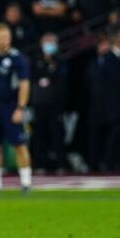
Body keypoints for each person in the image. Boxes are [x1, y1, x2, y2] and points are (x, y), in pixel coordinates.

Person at [0, 23, 32, 193]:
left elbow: (24, 84)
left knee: (19, 144)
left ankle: (26, 182)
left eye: (5, 37)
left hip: (11, 106)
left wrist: (21, 108)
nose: (2, 41)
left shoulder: (18, 59)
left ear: (10, 38)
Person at [87, 32, 120, 171]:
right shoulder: (108, 59)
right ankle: (107, 162)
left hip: (118, 104)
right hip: (108, 105)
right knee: (110, 135)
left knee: (118, 134)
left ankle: (113, 162)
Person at [29, 33, 68, 173]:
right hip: (39, 104)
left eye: (52, 42)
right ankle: (39, 164)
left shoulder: (60, 61)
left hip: (55, 105)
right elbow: (32, 78)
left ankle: (61, 164)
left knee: (57, 135)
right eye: (47, 42)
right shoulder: (36, 60)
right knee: (39, 135)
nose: (49, 45)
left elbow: (63, 81)